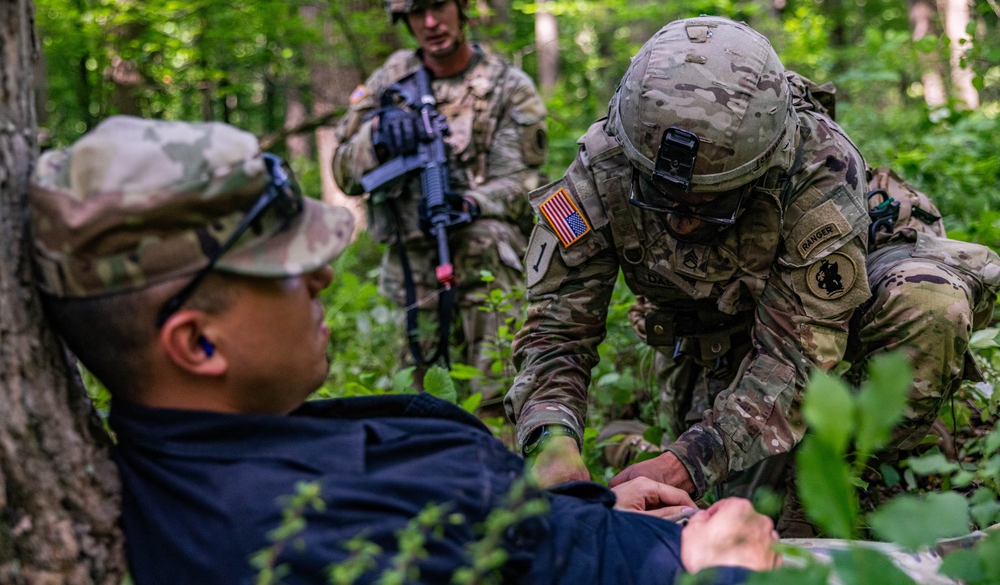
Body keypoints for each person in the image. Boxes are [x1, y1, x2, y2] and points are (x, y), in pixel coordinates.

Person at [30, 116, 779, 584]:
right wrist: (725, 575)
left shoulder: (247, 444)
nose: (322, 274)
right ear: (197, 342)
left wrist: (584, 506)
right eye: (286, 270)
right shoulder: (278, 540)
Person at [504, 16, 1000, 524]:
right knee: (704, 516)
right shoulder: (601, 170)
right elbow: (556, 335)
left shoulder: (815, 165)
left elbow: (798, 358)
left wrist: (687, 462)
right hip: (716, 346)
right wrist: (553, 443)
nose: (682, 218)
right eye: (660, 196)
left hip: (826, 329)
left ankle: (858, 472)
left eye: (709, 203)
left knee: (928, 303)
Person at [333, 0, 548, 394]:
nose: (429, 23)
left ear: (462, 3)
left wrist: (471, 201)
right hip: (411, 269)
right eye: (415, 13)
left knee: (494, 395)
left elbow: (526, 183)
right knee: (415, 403)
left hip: (484, 263)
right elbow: (344, 173)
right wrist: (376, 139)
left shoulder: (508, 87)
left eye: (437, 6)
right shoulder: (389, 81)